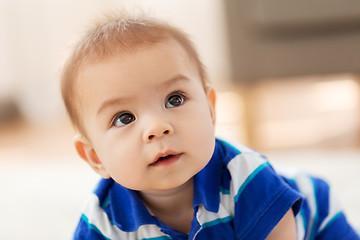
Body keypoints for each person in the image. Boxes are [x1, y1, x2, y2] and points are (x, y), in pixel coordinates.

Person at [61, 12, 359, 240]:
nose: (157, 127)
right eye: (124, 118)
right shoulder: (101, 222)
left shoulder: (245, 177)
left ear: (210, 108)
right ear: (95, 157)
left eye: (174, 99)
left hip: (315, 223)